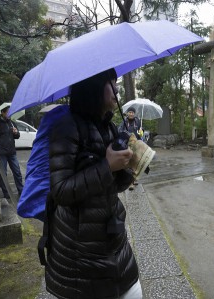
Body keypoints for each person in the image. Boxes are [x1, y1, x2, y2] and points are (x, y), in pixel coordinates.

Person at [46, 69, 142, 299]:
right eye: (111, 83)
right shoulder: (65, 128)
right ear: (94, 87)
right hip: (79, 254)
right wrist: (107, 166)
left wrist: (129, 168)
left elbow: (113, 186)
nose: (117, 89)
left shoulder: (108, 127)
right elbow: (60, 192)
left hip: (114, 240)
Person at [0, 106, 23, 199]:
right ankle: (6, 193)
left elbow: (17, 136)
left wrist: (16, 133)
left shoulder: (12, 123)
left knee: (17, 172)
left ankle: (21, 190)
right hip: (1, 154)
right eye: (8, 112)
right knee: (3, 174)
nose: (9, 114)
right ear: (3, 113)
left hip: (12, 153)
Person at [118, 106, 143, 190]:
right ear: (127, 113)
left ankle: (134, 178)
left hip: (136, 143)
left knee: (135, 161)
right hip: (127, 144)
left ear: (134, 114)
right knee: (129, 163)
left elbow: (140, 134)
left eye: (132, 112)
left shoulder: (137, 121)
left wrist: (141, 131)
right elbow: (120, 131)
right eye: (130, 112)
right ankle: (130, 183)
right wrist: (126, 133)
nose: (131, 114)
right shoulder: (124, 121)